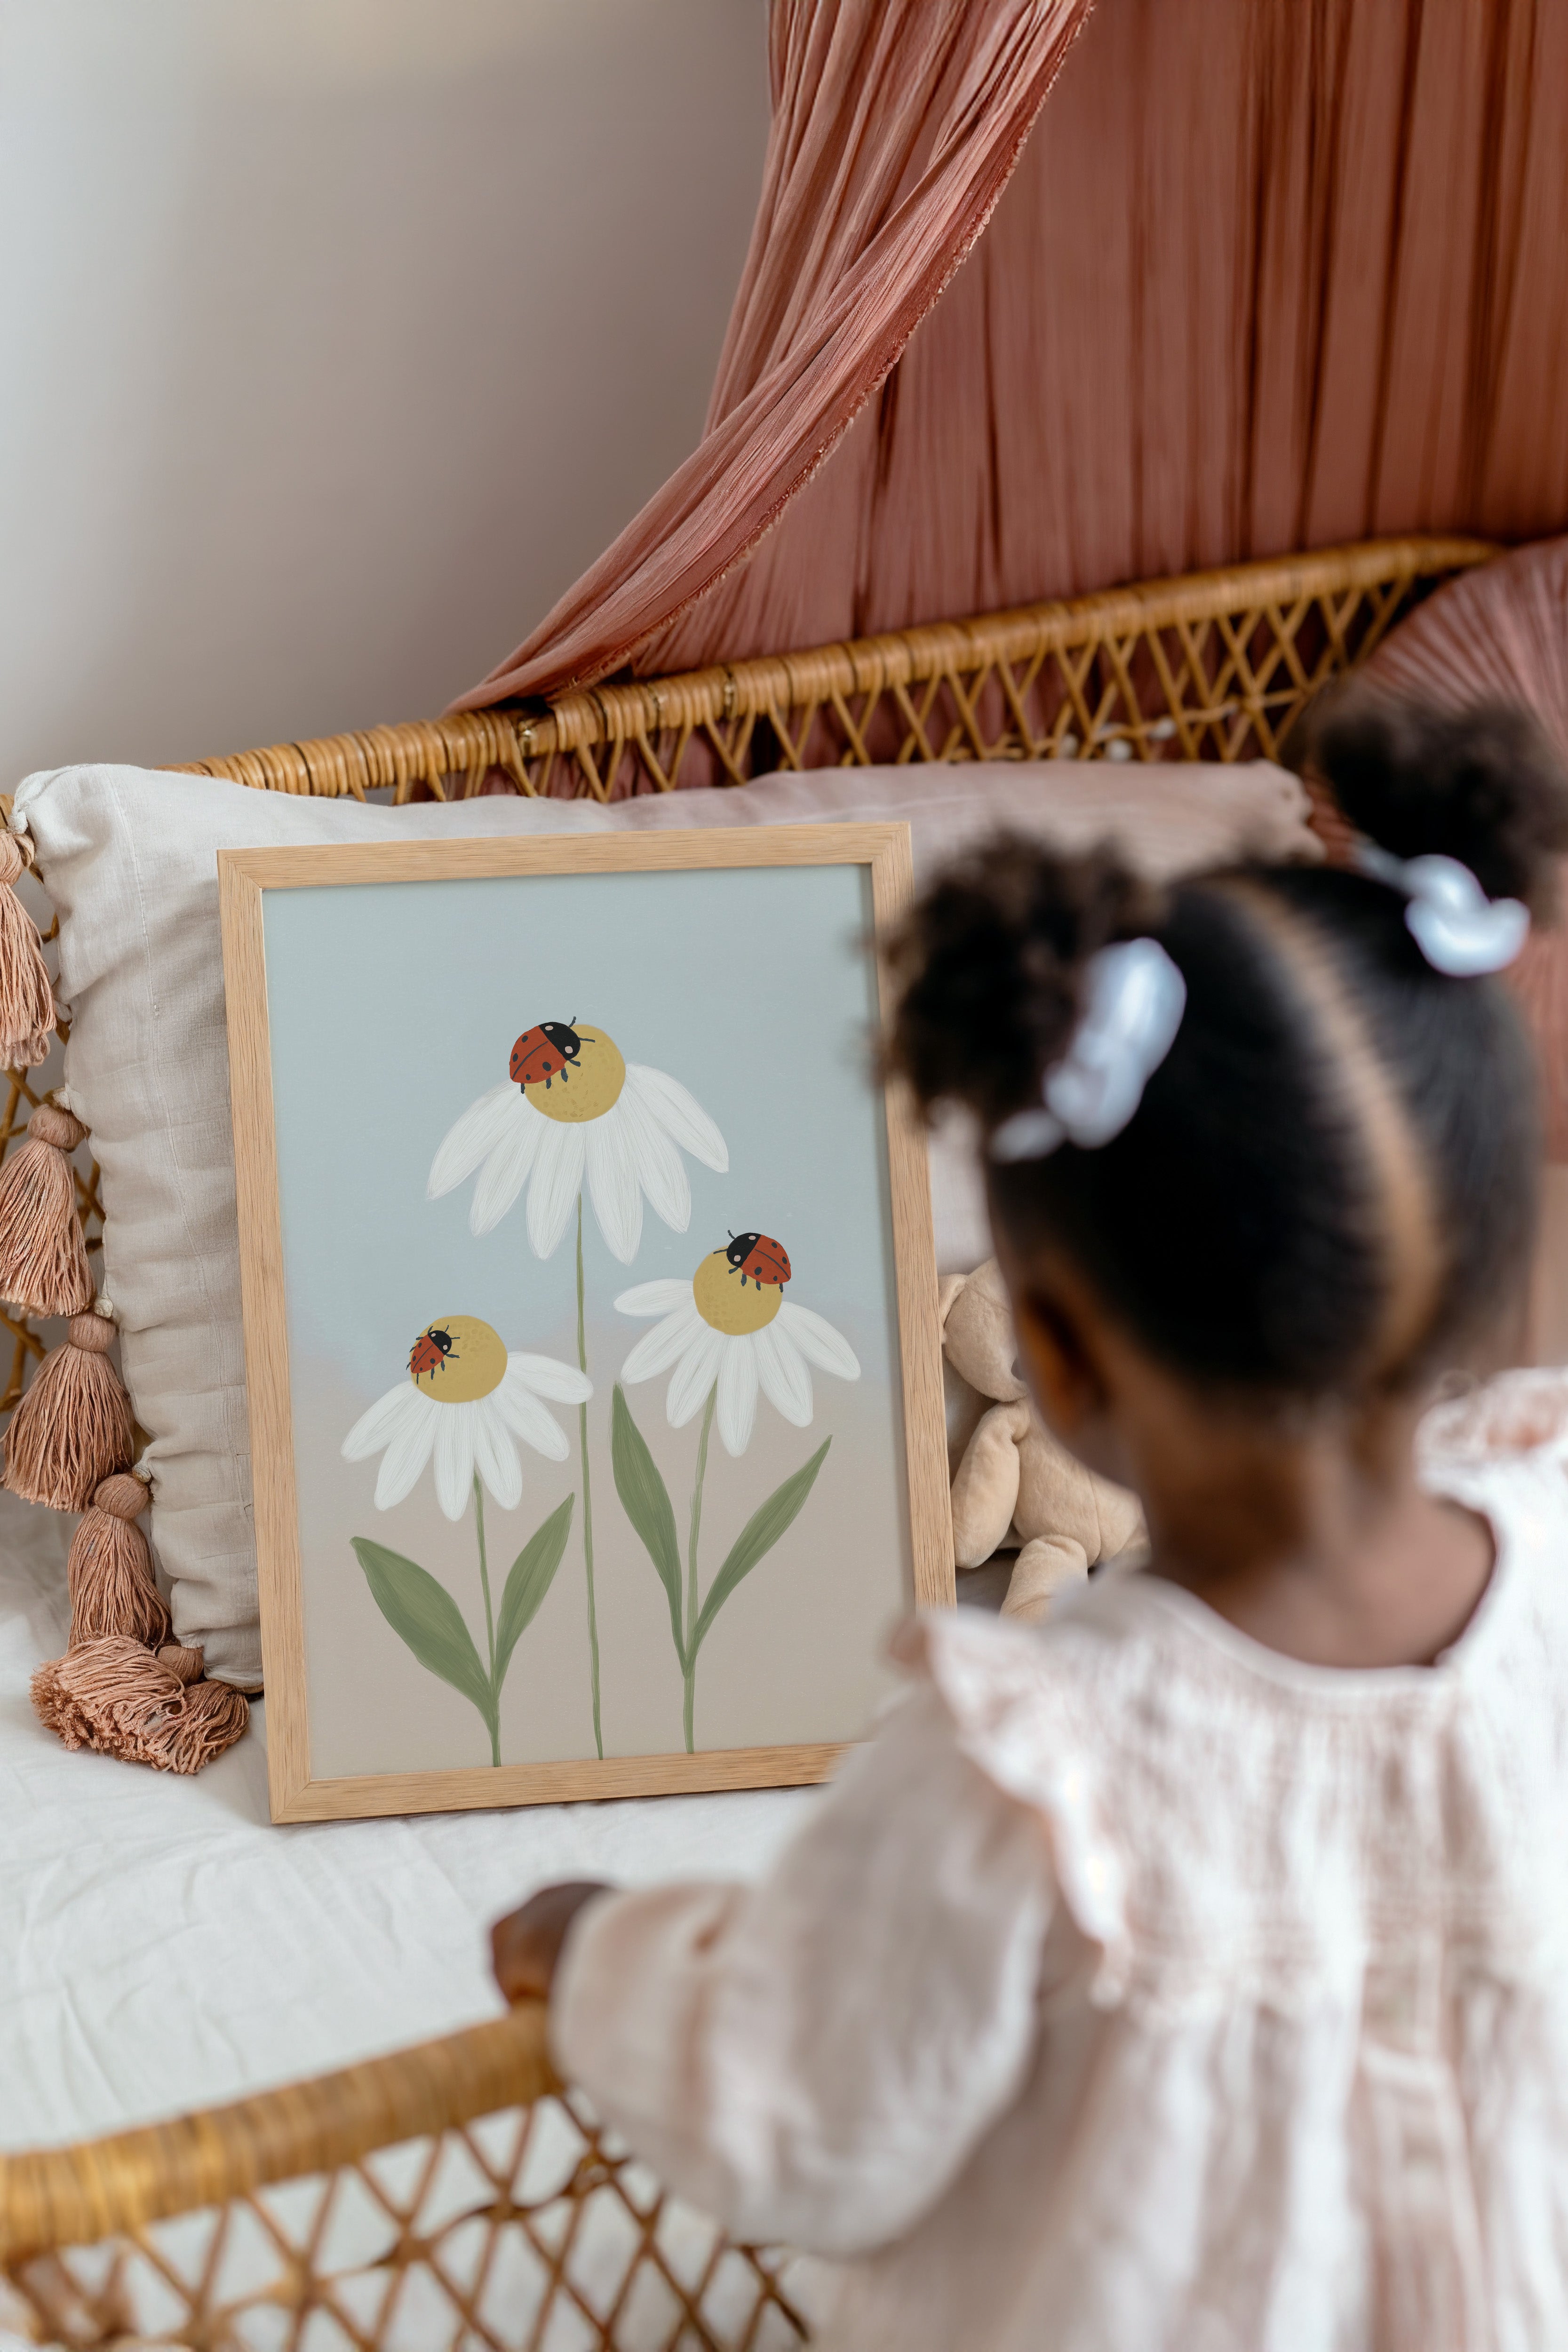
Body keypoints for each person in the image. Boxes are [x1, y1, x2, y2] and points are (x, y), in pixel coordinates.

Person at [492, 691, 1568, 2350]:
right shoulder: (1549, 1557)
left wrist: (606, 1954)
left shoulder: (1036, 1763)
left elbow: (805, 2119)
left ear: (1050, 1352)